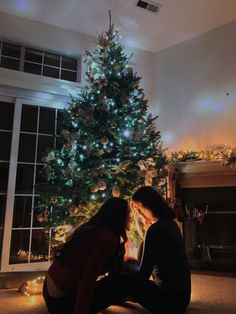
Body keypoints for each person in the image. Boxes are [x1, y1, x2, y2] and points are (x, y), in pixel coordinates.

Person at [43, 197, 130, 314]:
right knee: (127, 282)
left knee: (120, 279)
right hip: (62, 303)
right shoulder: (108, 237)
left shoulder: (91, 228)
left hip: (48, 291)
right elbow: (88, 277)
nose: (130, 217)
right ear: (120, 216)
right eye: (128, 213)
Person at [129, 186, 191, 313]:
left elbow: (143, 276)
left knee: (124, 277)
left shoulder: (155, 229)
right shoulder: (171, 223)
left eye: (138, 210)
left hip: (168, 303)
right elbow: (147, 241)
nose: (139, 215)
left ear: (143, 205)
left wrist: (127, 268)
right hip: (183, 298)